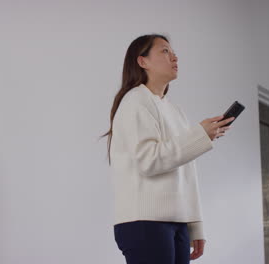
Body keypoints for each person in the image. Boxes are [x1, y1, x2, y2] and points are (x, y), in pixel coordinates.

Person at [100, 34, 235, 263]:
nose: (174, 56)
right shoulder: (135, 101)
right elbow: (149, 161)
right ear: (142, 61)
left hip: (177, 222)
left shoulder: (175, 111)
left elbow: (187, 171)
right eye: (164, 51)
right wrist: (200, 135)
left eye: (173, 51)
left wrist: (195, 225)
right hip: (144, 221)